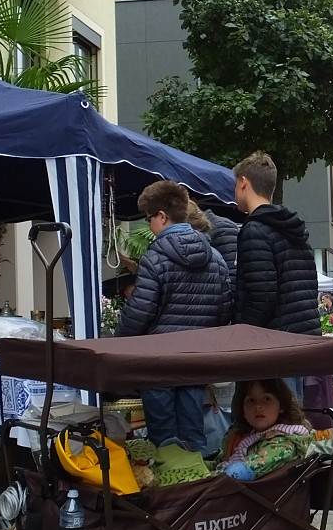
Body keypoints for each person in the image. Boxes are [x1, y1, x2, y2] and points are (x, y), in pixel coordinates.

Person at [116, 180, 232, 455]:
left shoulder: (155, 258)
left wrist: (117, 343)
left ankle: (170, 492)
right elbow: (225, 309)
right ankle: (198, 489)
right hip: (197, 359)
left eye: (149, 218)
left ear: (162, 217)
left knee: (163, 439)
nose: (149, 226)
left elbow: (139, 312)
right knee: (195, 435)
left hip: (159, 361)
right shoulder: (215, 258)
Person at [233, 151, 320, 400]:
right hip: (300, 339)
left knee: (277, 418)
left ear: (243, 182)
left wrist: (242, 330)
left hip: (272, 342)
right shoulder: (293, 228)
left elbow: (261, 293)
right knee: (293, 415)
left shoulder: (255, 230)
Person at [219, 378, 313, 481]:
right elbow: (220, 460)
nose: (258, 406)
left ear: (281, 406)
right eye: (251, 400)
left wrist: (212, 477)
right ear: (242, 411)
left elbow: (248, 468)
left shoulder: (284, 442)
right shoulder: (241, 437)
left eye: (267, 399)